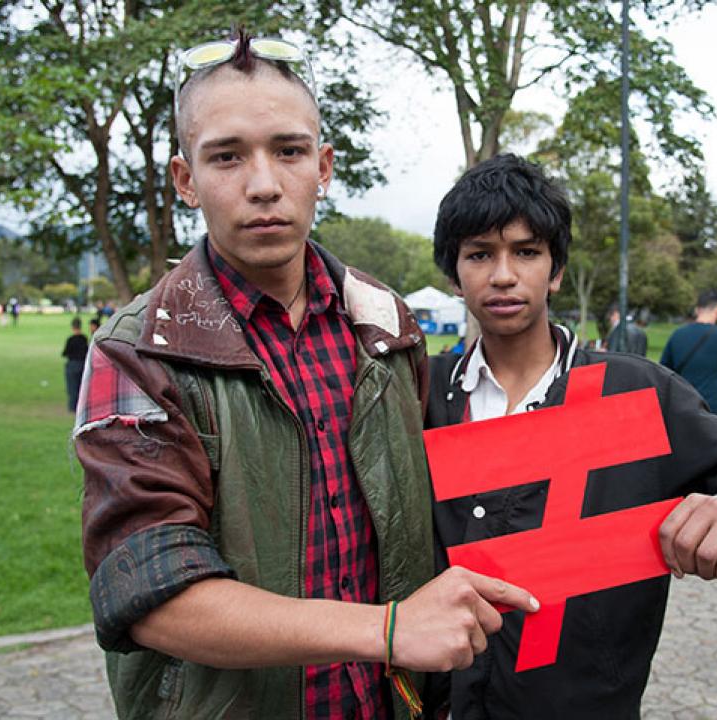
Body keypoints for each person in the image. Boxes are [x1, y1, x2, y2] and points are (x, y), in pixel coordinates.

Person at [72, 30, 538, 720]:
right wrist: (387, 631)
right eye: (226, 156)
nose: (263, 184)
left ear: (322, 166)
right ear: (184, 180)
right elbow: (153, 594)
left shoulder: (385, 326)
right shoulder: (138, 351)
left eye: (288, 151)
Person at [425, 154, 717, 719]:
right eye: (479, 254)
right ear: (453, 272)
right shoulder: (420, 395)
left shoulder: (630, 393)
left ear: (556, 269)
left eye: (526, 251)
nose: (504, 275)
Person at [660, 290, 717, 417]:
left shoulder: (677, 335)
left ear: (697, 310)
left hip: (682, 405)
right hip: (713, 407)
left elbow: (663, 369)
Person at [62, 317, 88, 412]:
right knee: (81, 386)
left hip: (72, 364)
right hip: (82, 364)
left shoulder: (70, 340)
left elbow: (65, 353)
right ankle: (81, 406)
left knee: (72, 387)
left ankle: (73, 407)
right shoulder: (84, 339)